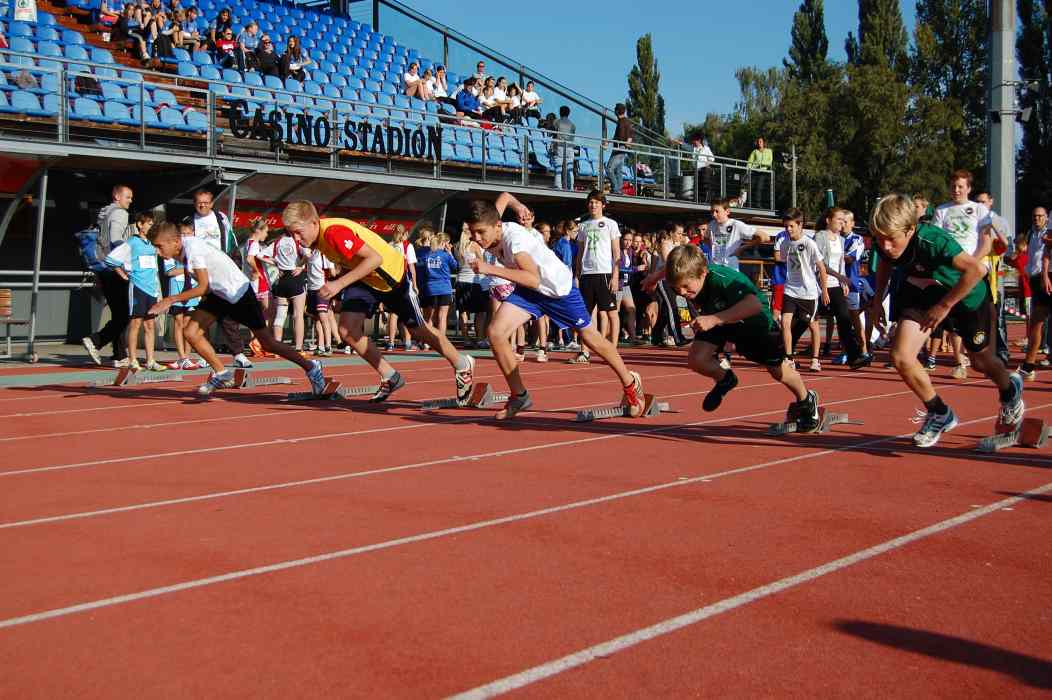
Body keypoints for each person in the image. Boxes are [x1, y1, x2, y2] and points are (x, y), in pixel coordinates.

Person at [464, 192, 644, 420]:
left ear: (497, 226)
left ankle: (630, 383)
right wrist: (518, 205)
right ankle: (519, 395)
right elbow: (504, 197)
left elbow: (533, 278)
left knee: (591, 338)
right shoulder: (491, 224)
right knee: (496, 332)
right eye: (473, 232)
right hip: (530, 292)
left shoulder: (515, 242)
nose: (477, 238)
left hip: (558, 290)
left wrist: (489, 269)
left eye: (480, 232)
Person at [281, 201, 476, 403]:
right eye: (291, 233)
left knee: (419, 330)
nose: (296, 239)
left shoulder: (333, 232)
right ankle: (390, 376)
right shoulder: (317, 238)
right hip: (366, 280)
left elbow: (374, 259)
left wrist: (338, 284)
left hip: (392, 277)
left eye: (298, 232)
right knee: (347, 330)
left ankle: (462, 364)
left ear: (314, 223)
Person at [869, 194, 1023, 447]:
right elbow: (884, 264)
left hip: (965, 296)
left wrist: (944, 306)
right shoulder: (884, 239)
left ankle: (1010, 390)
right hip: (924, 294)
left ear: (910, 229)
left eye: (891, 239)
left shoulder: (933, 241)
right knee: (901, 356)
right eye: (880, 239)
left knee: (981, 362)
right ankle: (939, 412)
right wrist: (877, 301)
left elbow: (976, 270)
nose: (885, 246)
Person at [147, 222, 325, 396]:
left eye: (159, 246)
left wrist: (169, 300)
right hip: (218, 294)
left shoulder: (193, 250)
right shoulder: (181, 250)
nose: (157, 252)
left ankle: (311, 367)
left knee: (267, 343)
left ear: (175, 242)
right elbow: (206, 284)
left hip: (239, 293)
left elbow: (202, 286)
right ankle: (222, 374)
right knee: (191, 332)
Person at [665, 242, 822, 431]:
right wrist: (653, 277)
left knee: (777, 370)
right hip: (722, 320)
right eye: (677, 288)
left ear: (703, 273)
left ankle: (806, 399)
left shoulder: (724, 279)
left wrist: (714, 319)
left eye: (685, 286)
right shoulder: (689, 276)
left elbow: (754, 305)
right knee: (696, 359)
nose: (682, 292)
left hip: (755, 323)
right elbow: (670, 271)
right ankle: (725, 379)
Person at [931, 170, 1000, 380]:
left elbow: (986, 244)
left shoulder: (979, 209)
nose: (956, 190)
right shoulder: (941, 210)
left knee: (984, 317)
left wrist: (971, 264)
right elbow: (936, 241)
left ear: (968, 188)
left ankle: (990, 359)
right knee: (954, 318)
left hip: (975, 271)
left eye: (961, 186)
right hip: (950, 274)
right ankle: (959, 362)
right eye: (953, 186)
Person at [183, 189, 252, 368]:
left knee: (228, 315)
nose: (202, 205)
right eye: (199, 202)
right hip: (200, 273)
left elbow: (231, 242)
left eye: (206, 202)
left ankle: (238, 353)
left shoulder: (221, 218)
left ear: (212, 203)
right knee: (201, 315)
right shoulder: (189, 222)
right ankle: (205, 355)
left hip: (221, 272)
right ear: (194, 203)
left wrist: (235, 265)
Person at [82, 185, 134, 367]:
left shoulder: (104, 214)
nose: (130, 201)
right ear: (117, 197)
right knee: (124, 314)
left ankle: (119, 355)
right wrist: (128, 256)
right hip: (114, 268)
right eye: (128, 197)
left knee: (119, 313)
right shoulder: (120, 213)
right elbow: (115, 239)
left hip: (102, 267)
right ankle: (96, 340)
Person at [104, 212, 164, 371]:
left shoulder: (153, 244)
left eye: (153, 223)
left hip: (152, 289)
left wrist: (157, 291)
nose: (151, 226)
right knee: (136, 323)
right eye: (149, 223)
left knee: (150, 324)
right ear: (140, 224)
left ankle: (151, 360)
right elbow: (111, 260)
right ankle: (133, 359)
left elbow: (155, 267)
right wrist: (124, 275)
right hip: (138, 288)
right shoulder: (132, 242)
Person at [814, 208, 870, 368]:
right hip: (819, 285)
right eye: (839, 219)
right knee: (805, 320)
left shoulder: (841, 240)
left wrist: (843, 281)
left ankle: (854, 357)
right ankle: (783, 350)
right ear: (828, 220)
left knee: (844, 319)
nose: (842, 223)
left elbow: (841, 263)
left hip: (835, 285)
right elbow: (820, 263)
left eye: (844, 220)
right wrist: (839, 278)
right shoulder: (820, 237)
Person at [571, 190, 621, 362]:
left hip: (604, 272)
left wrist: (615, 276)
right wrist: (577, 274)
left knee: (611, 312)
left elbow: (616, 252)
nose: (593, 205)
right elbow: (580, 252)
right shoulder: (583, 226)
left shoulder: (611, 224)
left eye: (597, 202)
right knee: (585, 314)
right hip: (587, 273)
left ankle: (613, 349)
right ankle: (584, 351)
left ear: (603, 205)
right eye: (591, 202)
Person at [775, 208, 828, 370]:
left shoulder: (809, 243)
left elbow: (822, 268)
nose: (788, 229)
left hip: (808, 292)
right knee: (785, 322)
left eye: (791, 226)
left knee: (813, 325)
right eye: (786, 226)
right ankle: (789, 358)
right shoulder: (785, 243)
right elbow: (784, 260)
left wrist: (824, 290)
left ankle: (815, 359)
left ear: (800, 225)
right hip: (791, 290)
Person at [163, 222, 207, 369]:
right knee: (178, 323)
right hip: (177, 290)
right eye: (183, 234)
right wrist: (187, 268)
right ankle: (181, 356)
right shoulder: (172, 250)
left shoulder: (195, 250)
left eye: (188, 234)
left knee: (189, 324)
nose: (186, 237)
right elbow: (169, 271)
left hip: (192, 291)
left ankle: (187, 357)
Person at [1016, 207, 1052, 380]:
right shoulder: (1032, 233)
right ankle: (1029, 365)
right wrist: (1044, 275)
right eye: (1034, 216)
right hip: (1041, 278)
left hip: (1042, 276)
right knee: (1037, 321)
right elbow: (1046, 252)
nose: (1037, 218)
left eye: (1040, 216)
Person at [269, 226, 309, 353]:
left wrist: (276, 264)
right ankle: (298, 347)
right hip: (295, 278)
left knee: (280, 315)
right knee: (298, 315)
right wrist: (300, 265)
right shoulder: (297, 242)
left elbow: (260, 255)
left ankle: (277, 346)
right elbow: (308, 254)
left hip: (282, 280)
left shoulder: (277, 242)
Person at [706, 198, 769, 270]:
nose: (714, 214)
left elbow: (765, 237)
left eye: (717, 211)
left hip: (730, 269)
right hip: (715, 268)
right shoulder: (712, 224)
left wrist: (742, 248)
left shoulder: (736, 225)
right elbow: (706, 238)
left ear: (727, 211)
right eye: (712, 212)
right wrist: (712, 248)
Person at [419, 231, 458, 344]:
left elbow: (422, 270)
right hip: (444, 288)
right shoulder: (445, 255)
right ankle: (442, 341)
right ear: (443, 243)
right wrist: (450, 252)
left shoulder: (427, 256)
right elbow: (455, 266)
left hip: (431, 288)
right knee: (442, 316)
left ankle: (427, 341)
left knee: (430, 317)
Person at [605, 103, 633, 197]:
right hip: (621, 148)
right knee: (618, 171)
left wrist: (608, 142)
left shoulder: (622, 122)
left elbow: (622, 137)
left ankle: (616, 189)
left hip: (619, 148)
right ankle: (619, 190)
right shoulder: (626, 121)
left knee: (609, 169)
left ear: (617, 111)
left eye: (615, 109)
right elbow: (628, 136)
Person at [550, 106, 576, 191]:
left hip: (560, 146)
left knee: (558, 167)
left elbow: (552, 132)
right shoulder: (572, 124)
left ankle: (558, 186)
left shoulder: (557, 122)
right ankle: (570, 187)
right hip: (570, 147)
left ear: (560, 112)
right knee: (570, 168)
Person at [746, 136, 773, 208]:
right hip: (754, 171)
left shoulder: (769, 151)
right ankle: (749, 204)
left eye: (760, 141)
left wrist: (760, 164)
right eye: (758, 142)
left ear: (764, 143)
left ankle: (757, 204)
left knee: (759, 188)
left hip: (763, 172)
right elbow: (750, 162)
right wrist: (748, 170)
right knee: (751, 187)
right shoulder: (754, 151)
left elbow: (769, 162)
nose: (759, 143)